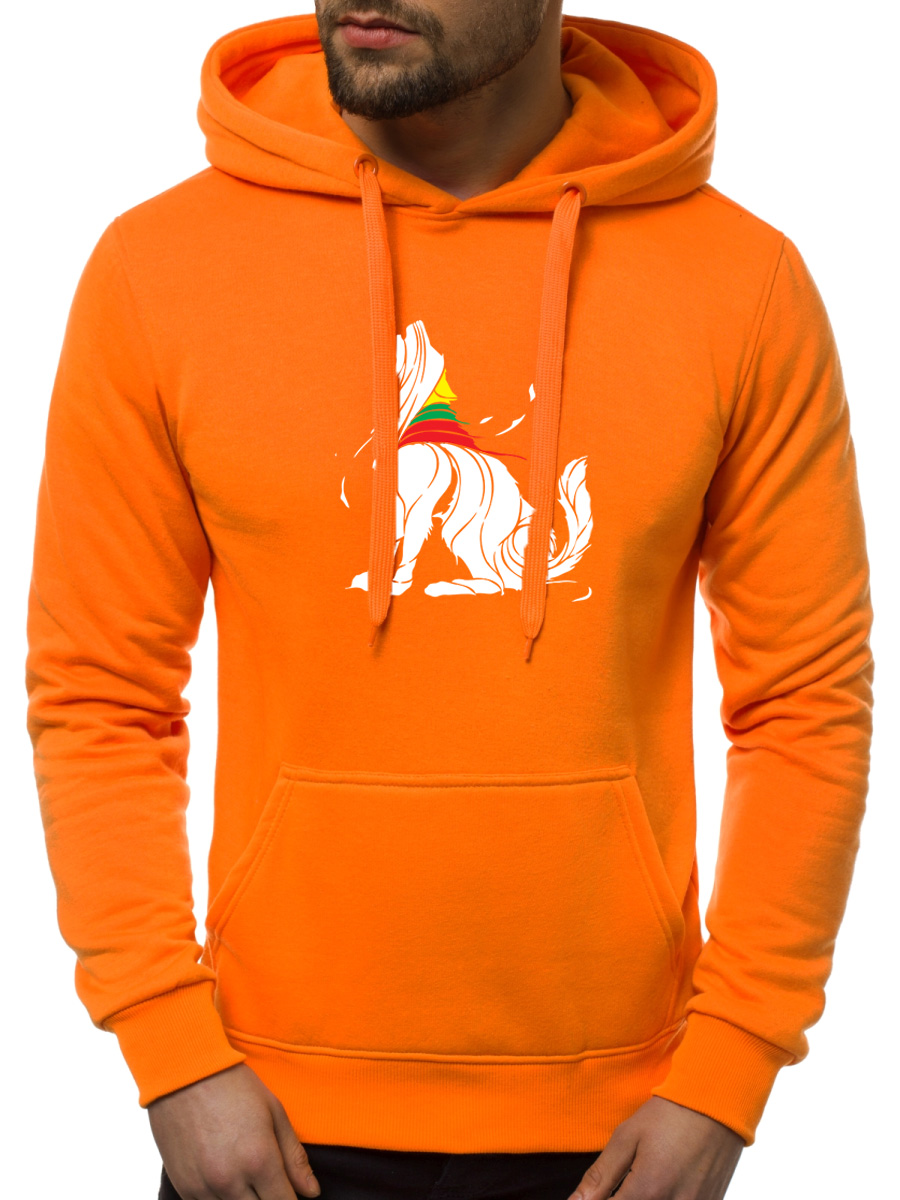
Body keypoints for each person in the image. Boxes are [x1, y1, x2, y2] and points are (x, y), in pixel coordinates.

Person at [24, 2, 875, 1199]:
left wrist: (730, 1069)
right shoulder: (158, 269)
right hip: (264, 1118)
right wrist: (168, 1050)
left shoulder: (742, 283)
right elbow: (101, 694)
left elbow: (804, 706)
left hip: (623, 1131)